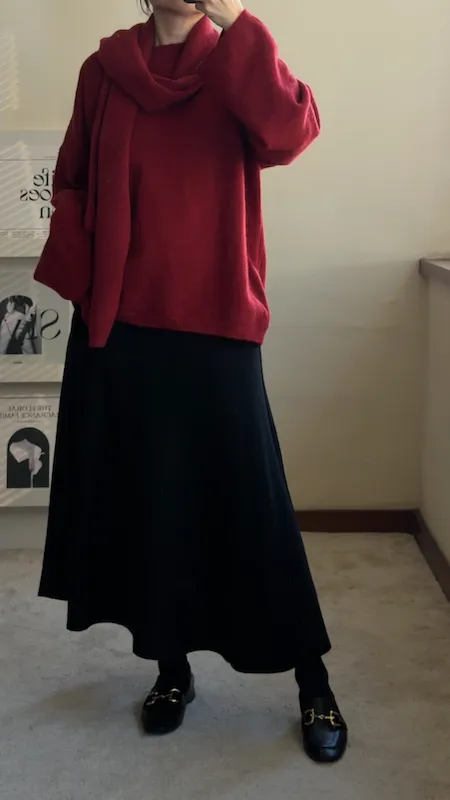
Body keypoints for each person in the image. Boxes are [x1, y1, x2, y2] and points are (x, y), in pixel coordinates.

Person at [36, 0, 348, 763]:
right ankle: (171, 670)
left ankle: (313, 681)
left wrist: (238, 18)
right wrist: (86, 282)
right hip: (121, 330)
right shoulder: (104, 70)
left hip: (216, 325)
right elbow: (71, 179)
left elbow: (292, 131)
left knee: (255, 509)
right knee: (152, 507)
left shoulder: (234, 59)